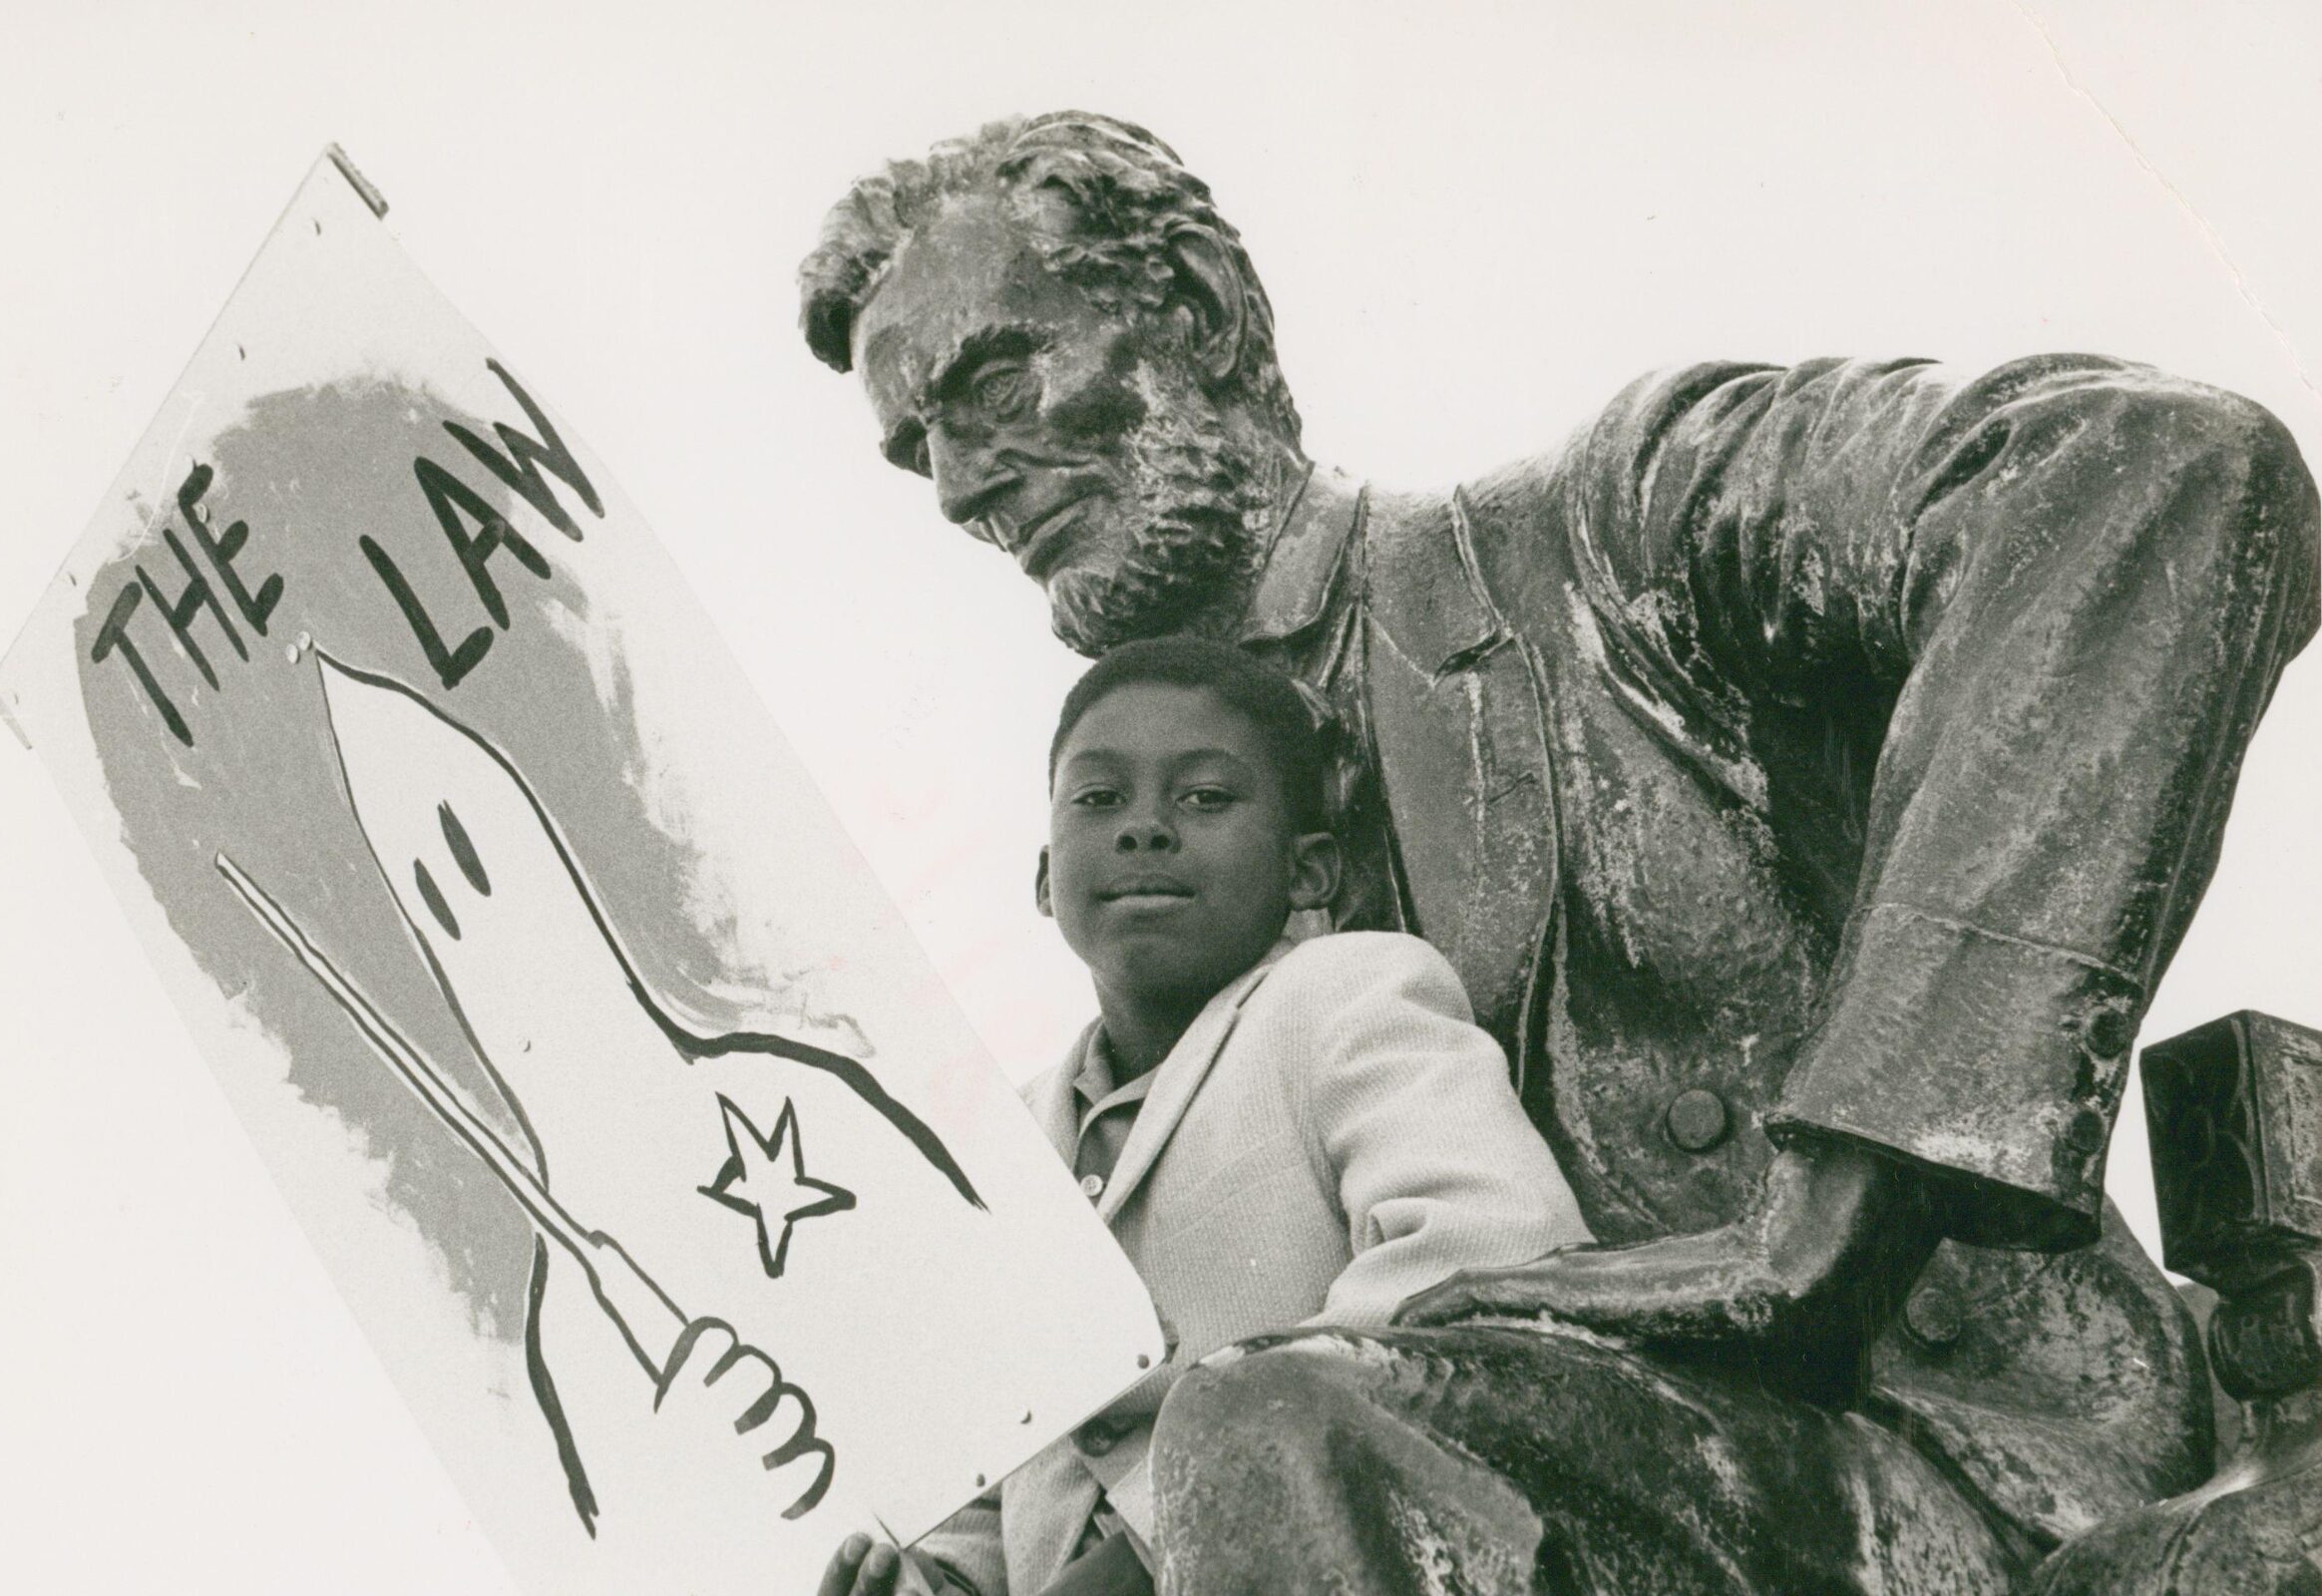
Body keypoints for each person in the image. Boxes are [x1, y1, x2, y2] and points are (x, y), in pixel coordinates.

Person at [797, 113, 2322, 1591]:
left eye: (992, 380)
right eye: (914, 444)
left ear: (1193, 315)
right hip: (1428, 1512)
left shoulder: (1610, 539)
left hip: (1914, 1465)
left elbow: (2155, 471)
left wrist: (1840, 1206)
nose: (957, 483)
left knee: (1281, 1425)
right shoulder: (1143, 961)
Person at [818, 636, 1589, 1596]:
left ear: (1309, 875)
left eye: (1205, 798)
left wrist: (1157, 1550)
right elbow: (998, 1469)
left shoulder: (1344, 993)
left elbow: (1498, 1260)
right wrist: (935, 1580)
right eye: (1099, 800)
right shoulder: (998, 1146)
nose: (1145, 829)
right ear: (1046, 875)